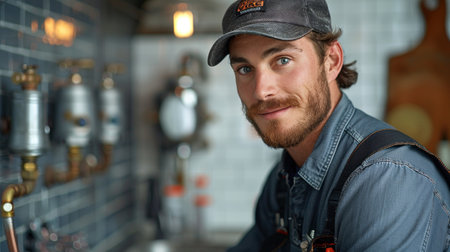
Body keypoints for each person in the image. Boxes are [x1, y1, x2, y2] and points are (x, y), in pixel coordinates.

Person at [207, 0, 450, 251]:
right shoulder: (283, 180)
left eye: (282, 60)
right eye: (245, 68)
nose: (261, 90)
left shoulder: (388, 177)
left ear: (332, 61)